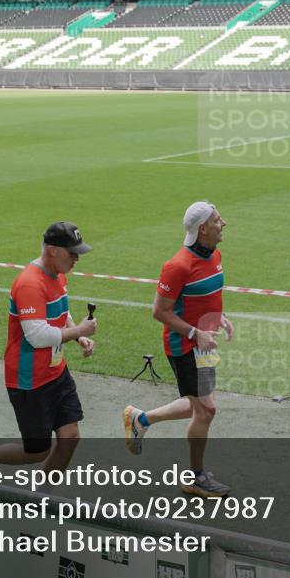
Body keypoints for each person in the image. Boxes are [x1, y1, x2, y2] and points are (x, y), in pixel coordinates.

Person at [0, 222, 97, 474]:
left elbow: (60, 312)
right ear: (53, 250)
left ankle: (42, 494)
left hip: (56, 373)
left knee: (70, 437)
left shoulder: (58, 274)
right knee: (37, 451)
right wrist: (79, 331)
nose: (77, 258)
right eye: (72, 252)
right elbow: (37, 336)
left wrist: (77, 336)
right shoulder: (29, 284)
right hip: (29, 380)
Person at [123, 201, 234, 498]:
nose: (223, 223)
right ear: (202, 230)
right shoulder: (178, 266)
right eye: (217, 220)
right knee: (207, 409)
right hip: (184, 344)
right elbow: (160, 311)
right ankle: (196, 478)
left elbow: (205, 297)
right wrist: (195, 332)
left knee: (196, 404)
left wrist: (218, 318)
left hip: (203, 342)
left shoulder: (214, 255)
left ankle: (140, 419)